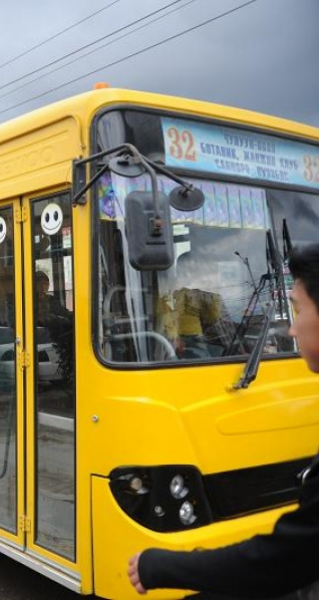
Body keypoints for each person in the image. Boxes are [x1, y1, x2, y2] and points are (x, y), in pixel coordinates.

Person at [128, 243, 319, 598]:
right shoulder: (176, 293)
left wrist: (246, 349)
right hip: (184, 347)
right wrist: (173, 338)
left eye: (297, 310)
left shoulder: (208, 295)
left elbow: (221, 327)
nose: (292, 330)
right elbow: (171, 326)